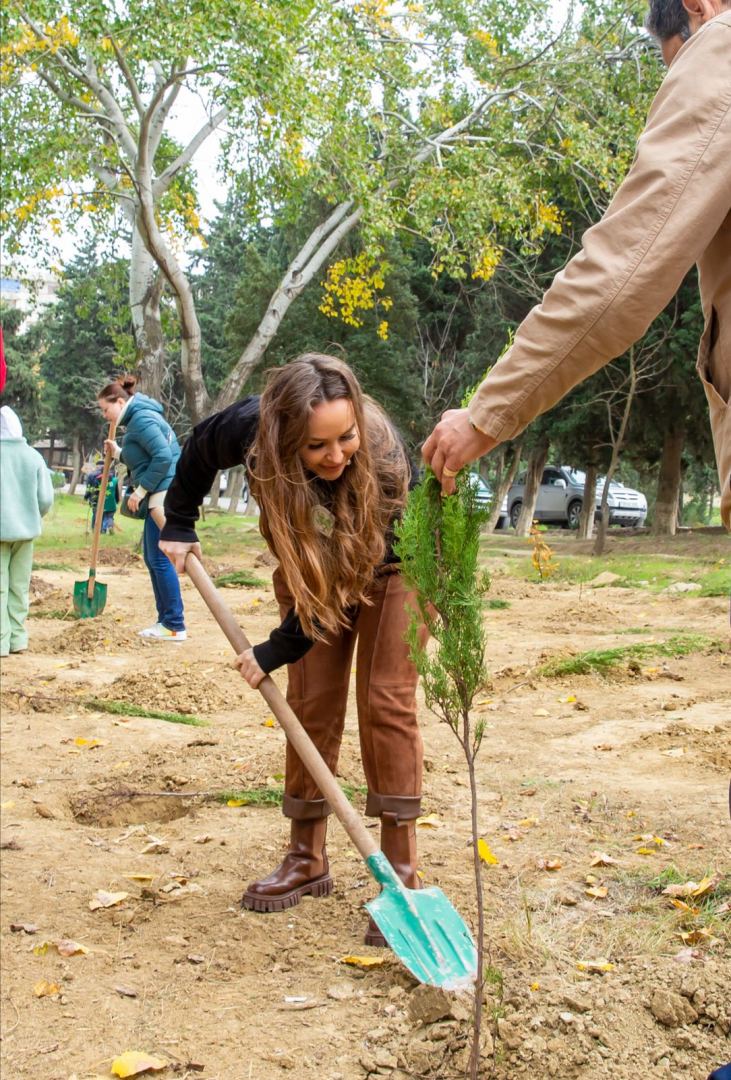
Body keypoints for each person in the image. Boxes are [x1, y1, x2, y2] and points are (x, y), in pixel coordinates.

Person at [422, 0, 730, 536]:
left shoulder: (722, 49)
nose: (678, 74)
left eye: (675, 60)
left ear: (698, 5)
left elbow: (625, 271)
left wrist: (486, 415)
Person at [159, 354, 426, 946]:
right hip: (314, 567)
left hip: (396, 561)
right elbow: (201, 450)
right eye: (316, 446)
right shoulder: (251, 431)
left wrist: (272, 651)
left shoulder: (379, 463)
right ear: (281, 437)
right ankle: (306, 857)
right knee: (311, 702)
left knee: (385, 698)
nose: (336, 456)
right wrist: (178, 521)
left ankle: (400, 873)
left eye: (345, 436)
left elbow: (340, 587)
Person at [97, 376, 187, 641]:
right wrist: (119, 453)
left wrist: (141, 490)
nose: (105, 416)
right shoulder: (136, 420)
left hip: (163, 494)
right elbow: (144, 455)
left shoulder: (141, 420)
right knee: (153, 557)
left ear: (120, 401)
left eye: (105, 409)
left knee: (159, 558)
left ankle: (173, 624)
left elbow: (163, 456)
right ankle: (167, 622)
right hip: (160, 491)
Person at [0, 405, 54, 657]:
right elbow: (45, 499)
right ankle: (18, 639)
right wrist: (31, 515)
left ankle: (1, 643)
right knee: (19, 587)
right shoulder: (33, 456)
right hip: (26, 533)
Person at [84, 461, 120, 534]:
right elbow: (115, 491)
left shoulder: (93, 475)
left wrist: (86, 496)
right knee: (107, 516)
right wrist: (117, 500)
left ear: (97, 466)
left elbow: (89, 488)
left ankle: (96, 529)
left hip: (96, 499)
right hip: (110, 501)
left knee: (96, 514)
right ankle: (105, 528)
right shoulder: (112, 478)